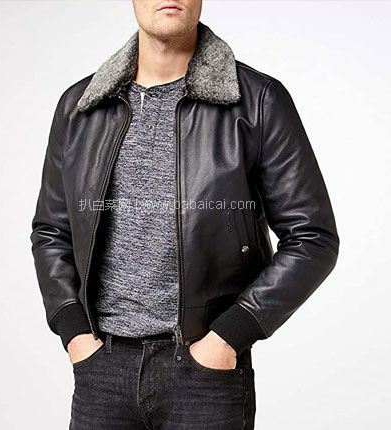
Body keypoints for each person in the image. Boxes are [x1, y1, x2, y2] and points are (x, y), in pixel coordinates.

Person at [30, 1, 339, 428]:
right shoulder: (79, 107)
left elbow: (313, 238)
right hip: (102, 371)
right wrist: (75, 333)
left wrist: (229, 336)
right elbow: (51, 230)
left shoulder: (258, 101)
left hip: (205, 373)